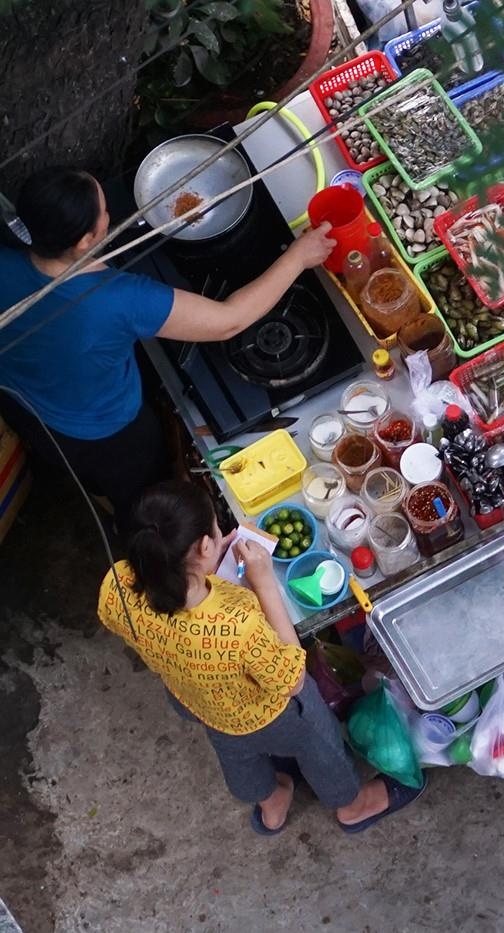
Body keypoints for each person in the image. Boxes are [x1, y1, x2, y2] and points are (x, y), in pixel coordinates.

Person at [0, 166, 334, 529]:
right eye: (104, 211)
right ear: (83, 241)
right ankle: (133, 531)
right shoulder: (118, 298)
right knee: (140, 497)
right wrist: (298, 257)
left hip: (24, 403)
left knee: (77, 466)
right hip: (107, 432)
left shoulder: (7, 258)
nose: (110, 213)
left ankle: (91, 488)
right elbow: (230, 320)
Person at [96, 480, 424, 835]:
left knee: (235, 752)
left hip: (198, 701)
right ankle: (351, 804)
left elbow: (152, 615)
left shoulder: (116, 583)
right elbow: (292, 678)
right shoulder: (237, 622)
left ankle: (271, 806)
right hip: (271, 715)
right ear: (206, 545)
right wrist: (264, 581)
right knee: (318, 742)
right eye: (218, 531)